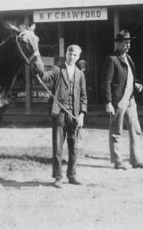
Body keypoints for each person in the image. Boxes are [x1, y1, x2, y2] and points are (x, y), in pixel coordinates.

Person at [102, 30, 143, 170]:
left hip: (130, 99)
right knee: (116, 131)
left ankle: (136, 160)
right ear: (118, 43)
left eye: (129, 43)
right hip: (118, 100)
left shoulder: (128, 58)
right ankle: (118, 161)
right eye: (125, 43)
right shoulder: (111, 59)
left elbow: (128, 77)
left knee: (136, 129)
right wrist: (108, 102)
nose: (128, 45)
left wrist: (136, 84)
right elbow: (106, 82)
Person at [41, 44, 87, 187]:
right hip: (60, 113)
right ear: (66, 54)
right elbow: (45, 77)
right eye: (69, 53)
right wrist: (38, 69)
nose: (71, 57)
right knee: (58, 146)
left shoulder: (80, 74)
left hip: (74, 115)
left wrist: (82, 115)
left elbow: (84, 97)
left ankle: (72, 175)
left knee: (74, 147)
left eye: (74, 55)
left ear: (78, 57)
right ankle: (58, 177)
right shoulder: (57, 70)